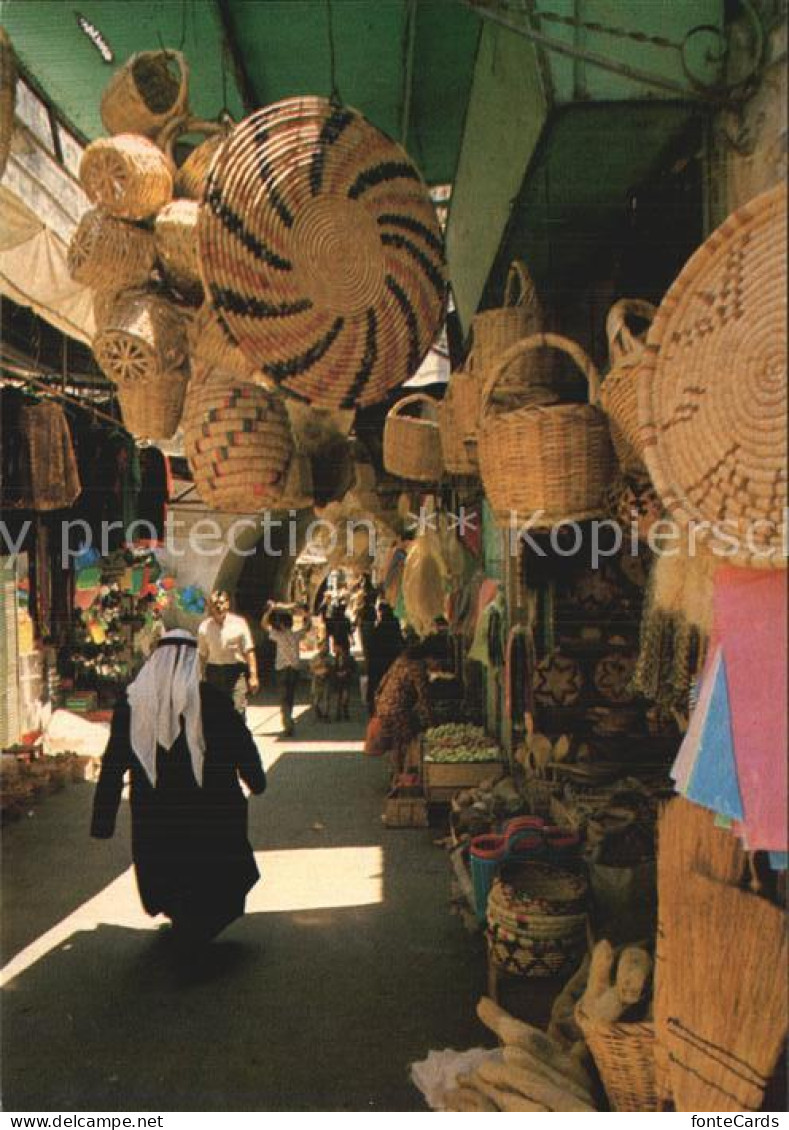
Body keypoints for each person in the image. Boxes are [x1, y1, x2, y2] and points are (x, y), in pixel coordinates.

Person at [90, 630, 266, 945]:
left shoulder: (132, 705)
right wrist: (256, 779)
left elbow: (113, 763)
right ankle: (197, 925)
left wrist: (103, 820)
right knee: (207, 866)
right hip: (208, 807)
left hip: (154, 811)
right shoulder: (211, 699)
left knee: (168, 866)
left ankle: (183, 919)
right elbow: (241, 742)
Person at [374, 638, 444, 773]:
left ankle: (395, 774)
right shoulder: (418, 668)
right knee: (405, 742)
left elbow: (381, 685)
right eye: (437, 661)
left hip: (384, 706)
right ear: (429, 657)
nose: (438, 665)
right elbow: (424, 697)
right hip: (398, 709)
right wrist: (433, 724)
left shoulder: (401, 661)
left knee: (396, 743)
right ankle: (403, 775)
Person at [198, 590, 259, 715]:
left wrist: (253, 676)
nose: (218, 607)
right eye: (214, 604)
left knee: (238, 709)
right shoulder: (204, 627)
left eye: (221, 603)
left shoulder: (239, 623)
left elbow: (249, 651)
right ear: (210, 606)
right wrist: (200, 677)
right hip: (214, 672)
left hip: (235, 672)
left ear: (227, 604)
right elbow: (202, 655)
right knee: (216, 712)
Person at [261, 600, 310, 736]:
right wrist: (307, 614)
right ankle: (288, 721)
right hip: (294, 669)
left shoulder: (277, 635)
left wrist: (269, 611)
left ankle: (287, 721)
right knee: (290, 696)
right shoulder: (295, 635)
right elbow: (308, 626)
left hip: (282, 669)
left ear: (281, 624)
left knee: (284, 697)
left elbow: (264, 625)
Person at [366, 601, 404, 712]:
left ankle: (379, 706)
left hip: (379, 662)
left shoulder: (379, 628)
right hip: (391, 659)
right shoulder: (394, 625)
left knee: (379, 684)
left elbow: (372, 645)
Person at [310, 634, 334, 721]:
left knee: (326, 697)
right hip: (317, 680)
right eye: (324, 646)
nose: (326, 648)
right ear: (319, 647)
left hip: (327, 679)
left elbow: (333, 667)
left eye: (327, 646)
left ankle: (326, 714)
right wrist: (318, 667)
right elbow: (311, 669)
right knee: (316, 699)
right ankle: (318, 712)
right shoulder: (315, 658)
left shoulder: (330, 658)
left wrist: (328, 669)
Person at [332, 638, 357, 721]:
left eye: (335, 647)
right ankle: (338, 714)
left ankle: (345, 711)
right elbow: (333, 668)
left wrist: (346, 672)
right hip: (337, 680)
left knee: (345, 697)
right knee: (338, 697)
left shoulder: (349, 657)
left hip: (346, 680)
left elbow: (354, 668)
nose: (334, 648)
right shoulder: (335, 658)